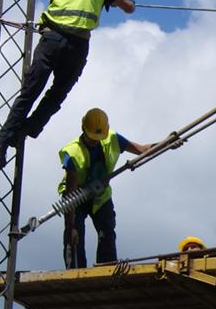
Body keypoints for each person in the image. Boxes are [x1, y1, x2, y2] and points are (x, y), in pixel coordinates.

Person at [0, 0, 136, 167]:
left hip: (52, 40)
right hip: (77, 47)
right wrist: (128, 3)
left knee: (29, 92)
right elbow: (126, 7)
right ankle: (30, 128)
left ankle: (1, 144)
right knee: (57, 94)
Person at [59, 108, 155, 269]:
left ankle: (106, 269)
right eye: (92, 138)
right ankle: (75, 272)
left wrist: (167, 142)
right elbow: (70, 193)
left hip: (100, 196)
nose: (95, 141)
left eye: (98, 138)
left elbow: (142, 149)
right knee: (74, 238)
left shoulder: (112, 138)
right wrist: (71, 224)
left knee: (107, 233)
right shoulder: (73, 153)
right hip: (76, 198)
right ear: (84, 130)